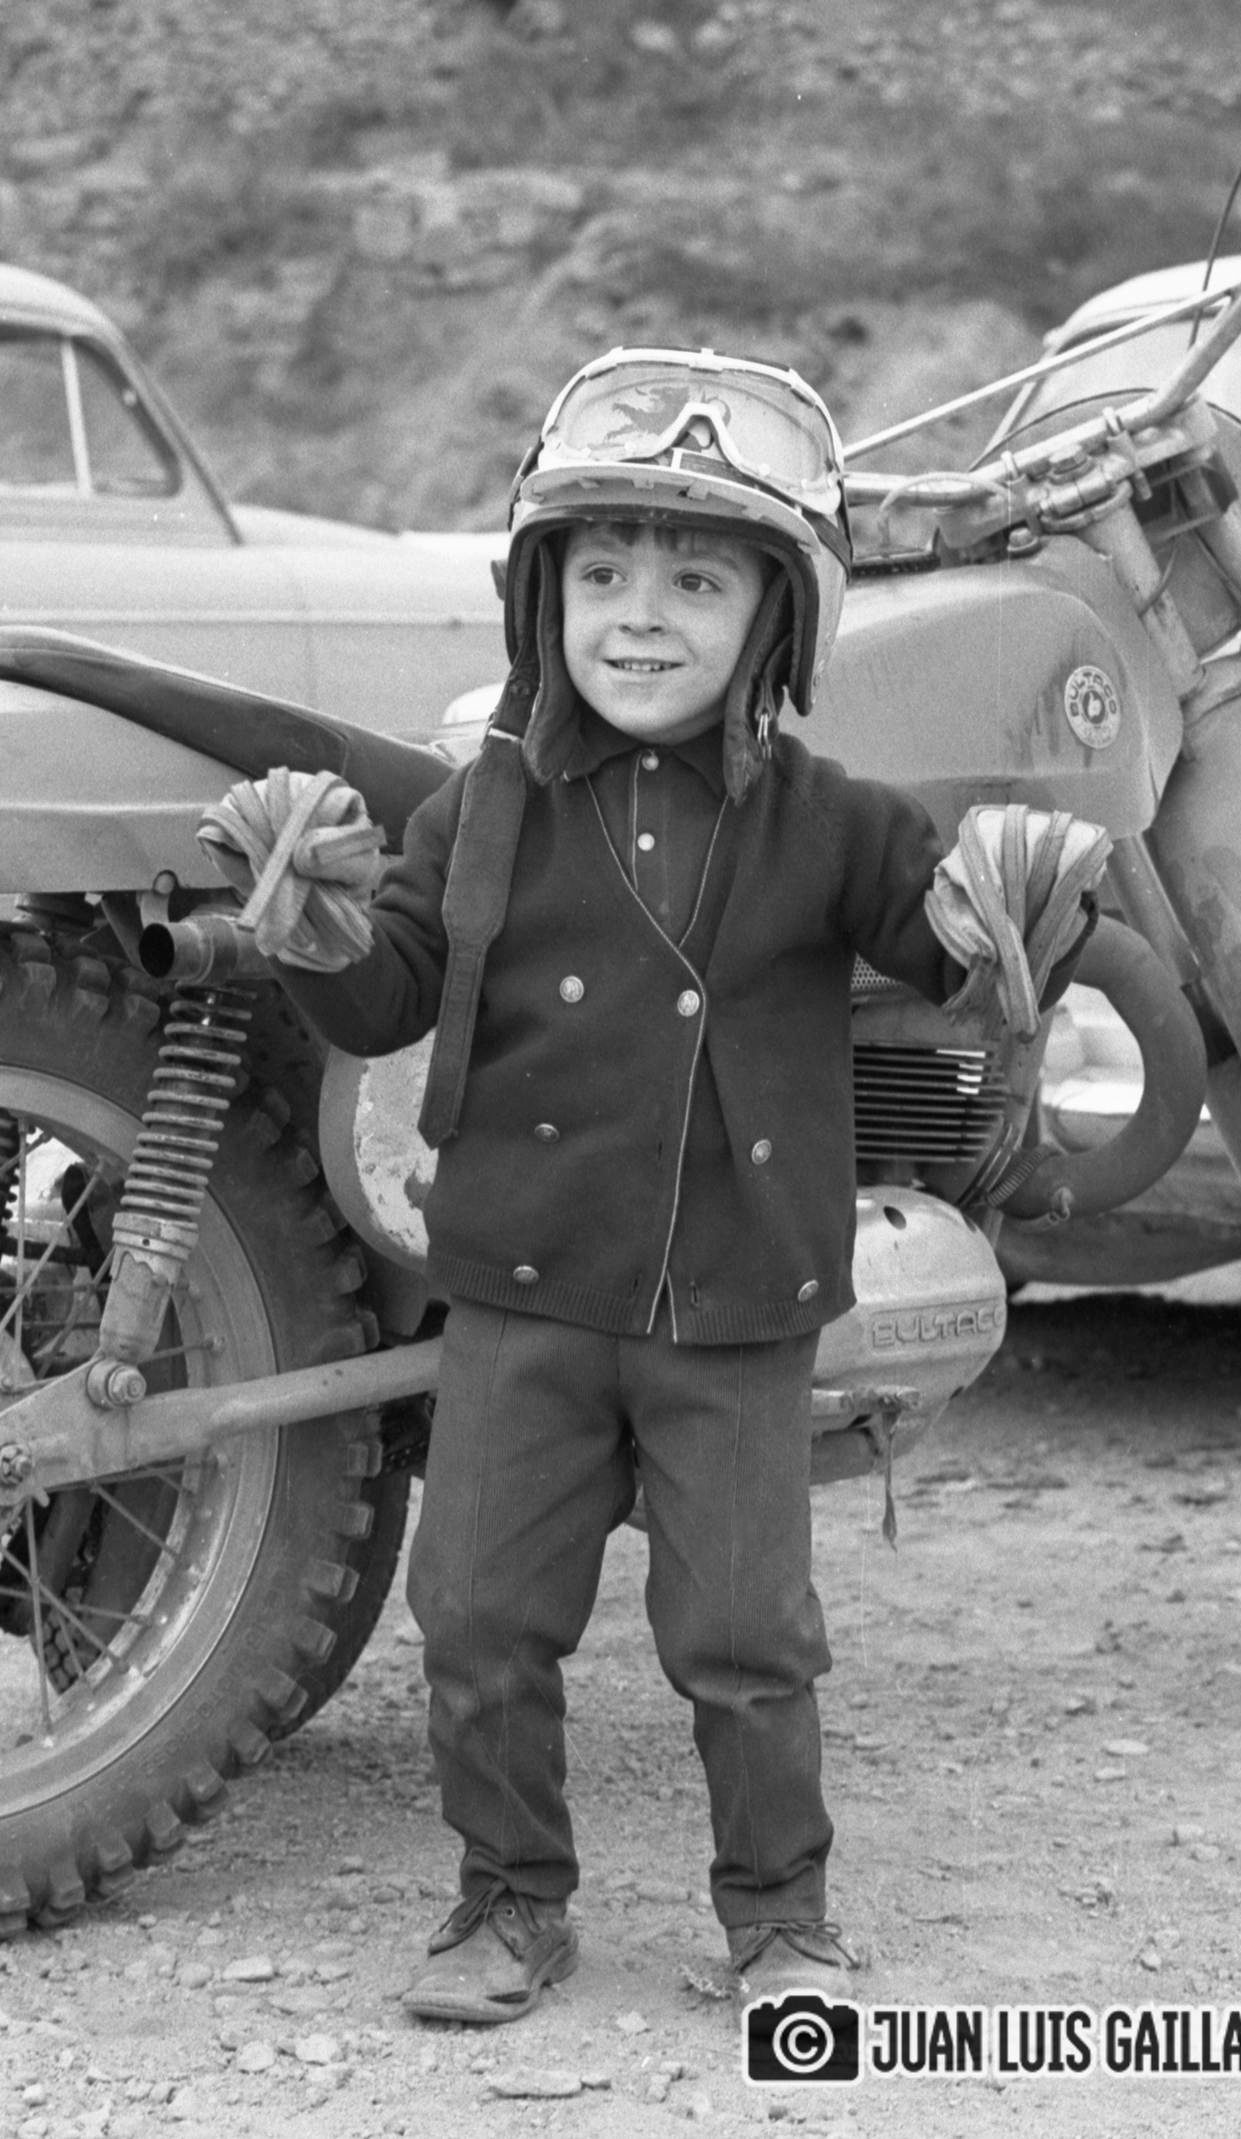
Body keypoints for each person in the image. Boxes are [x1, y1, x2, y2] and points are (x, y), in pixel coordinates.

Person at [225, 347, 1102, 2028]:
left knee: (747, 1635)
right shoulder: (476, 813)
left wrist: (1021, 906)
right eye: (603, 574)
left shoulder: (837, 823)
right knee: (476, 1615)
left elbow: (953, 947)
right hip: (523, 1293)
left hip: (736, 1309)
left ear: (778, 619)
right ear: (539, 598)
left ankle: (782, 1918)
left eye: (698, 580)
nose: (640, 616)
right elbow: (386, 998)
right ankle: (508, 1901)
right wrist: (315, 931)